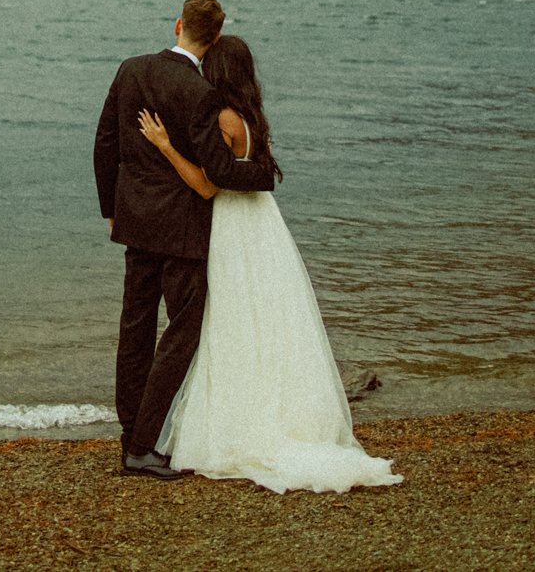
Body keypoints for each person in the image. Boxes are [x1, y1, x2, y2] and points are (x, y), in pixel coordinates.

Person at [135, 34, 401, 494]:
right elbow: (253, 172)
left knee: (230, 321)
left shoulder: (222, 117)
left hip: (233, 226)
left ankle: (235, 425)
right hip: (263, 224)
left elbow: (207, 186)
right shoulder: (252, 117)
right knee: (267, 318)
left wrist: (164, 145)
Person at [93, 0, 275, 479]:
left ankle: (130, 435)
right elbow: (217, 171)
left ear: (177, 25)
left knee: (134, 330)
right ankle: (142, 444)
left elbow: (105, 142)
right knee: (181, 333)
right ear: (215, 38)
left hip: (134, 222)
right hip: (182, 230)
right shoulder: (201, 94)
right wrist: (263, 176)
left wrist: (110, 210)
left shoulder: (129, 69)